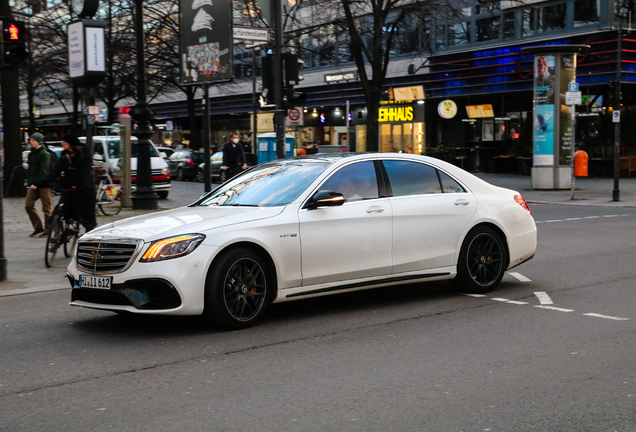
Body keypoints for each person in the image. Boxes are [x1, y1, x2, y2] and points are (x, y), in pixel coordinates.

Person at [31, 134, 97, 233]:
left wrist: (85, 185)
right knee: (61, 210)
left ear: (71, 144)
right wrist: (41, 183)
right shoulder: (64, 156)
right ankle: (59, 232)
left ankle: (89, 235)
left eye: (64, 142)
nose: (62, 144)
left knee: (86, 215)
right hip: (69, 187)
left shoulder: (84, 154)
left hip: (83, 189)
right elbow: (55, 171)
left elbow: (86, 171)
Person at [25, 132, 52, 238]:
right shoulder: (32, 154)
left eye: (33, 140)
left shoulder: (45, 154)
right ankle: (38, 227)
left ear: (38, 142)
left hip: (44, 184)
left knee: (47, 208)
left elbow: (43, 170)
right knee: (28, 205)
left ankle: (48, 230)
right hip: (34, 185)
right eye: (30, 140)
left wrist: (36, 183)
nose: (30, 142)